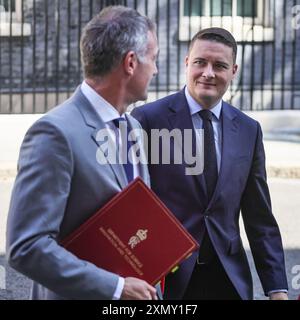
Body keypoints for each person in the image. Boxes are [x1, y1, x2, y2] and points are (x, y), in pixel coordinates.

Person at [6, 5, 159, 300]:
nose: (156, 69)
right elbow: (26, 246)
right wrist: (116, 288)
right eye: (153, 59)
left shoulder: (134, 128)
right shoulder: (54, 133)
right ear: (130, 63)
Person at [132, 27, 288, 300]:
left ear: (234, 70)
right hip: (168, 280)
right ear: (186, 63)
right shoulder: (147, 120)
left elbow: (259, 218)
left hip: (228, 281)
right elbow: (131, 207)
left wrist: (277, 290)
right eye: (200, 62)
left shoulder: (249, 131)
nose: (208, 73)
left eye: (220, 65)